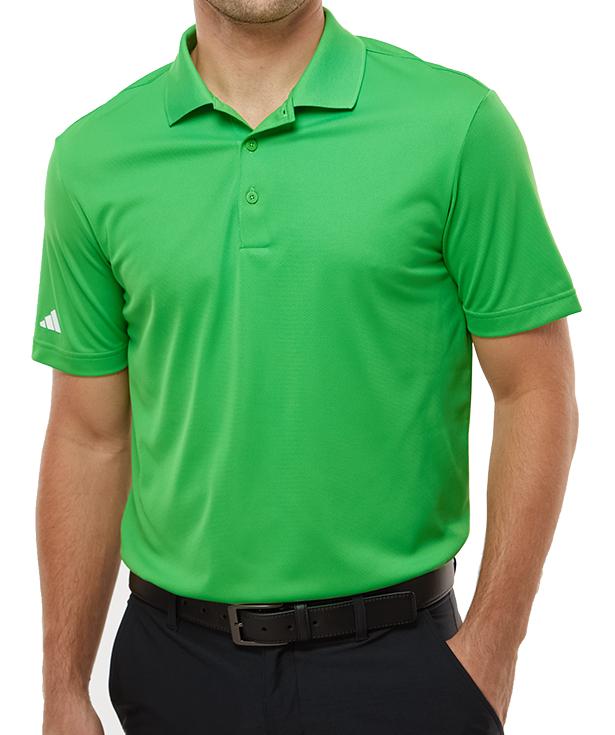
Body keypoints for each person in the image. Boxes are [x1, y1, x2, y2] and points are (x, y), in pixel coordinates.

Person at [32, 1, 581, 733]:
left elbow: (535, 388)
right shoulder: (92, 159)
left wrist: (494, 646)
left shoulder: (457, 126)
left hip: (402, 668)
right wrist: (63, 688)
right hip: (174, 670)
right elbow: (87, 434)